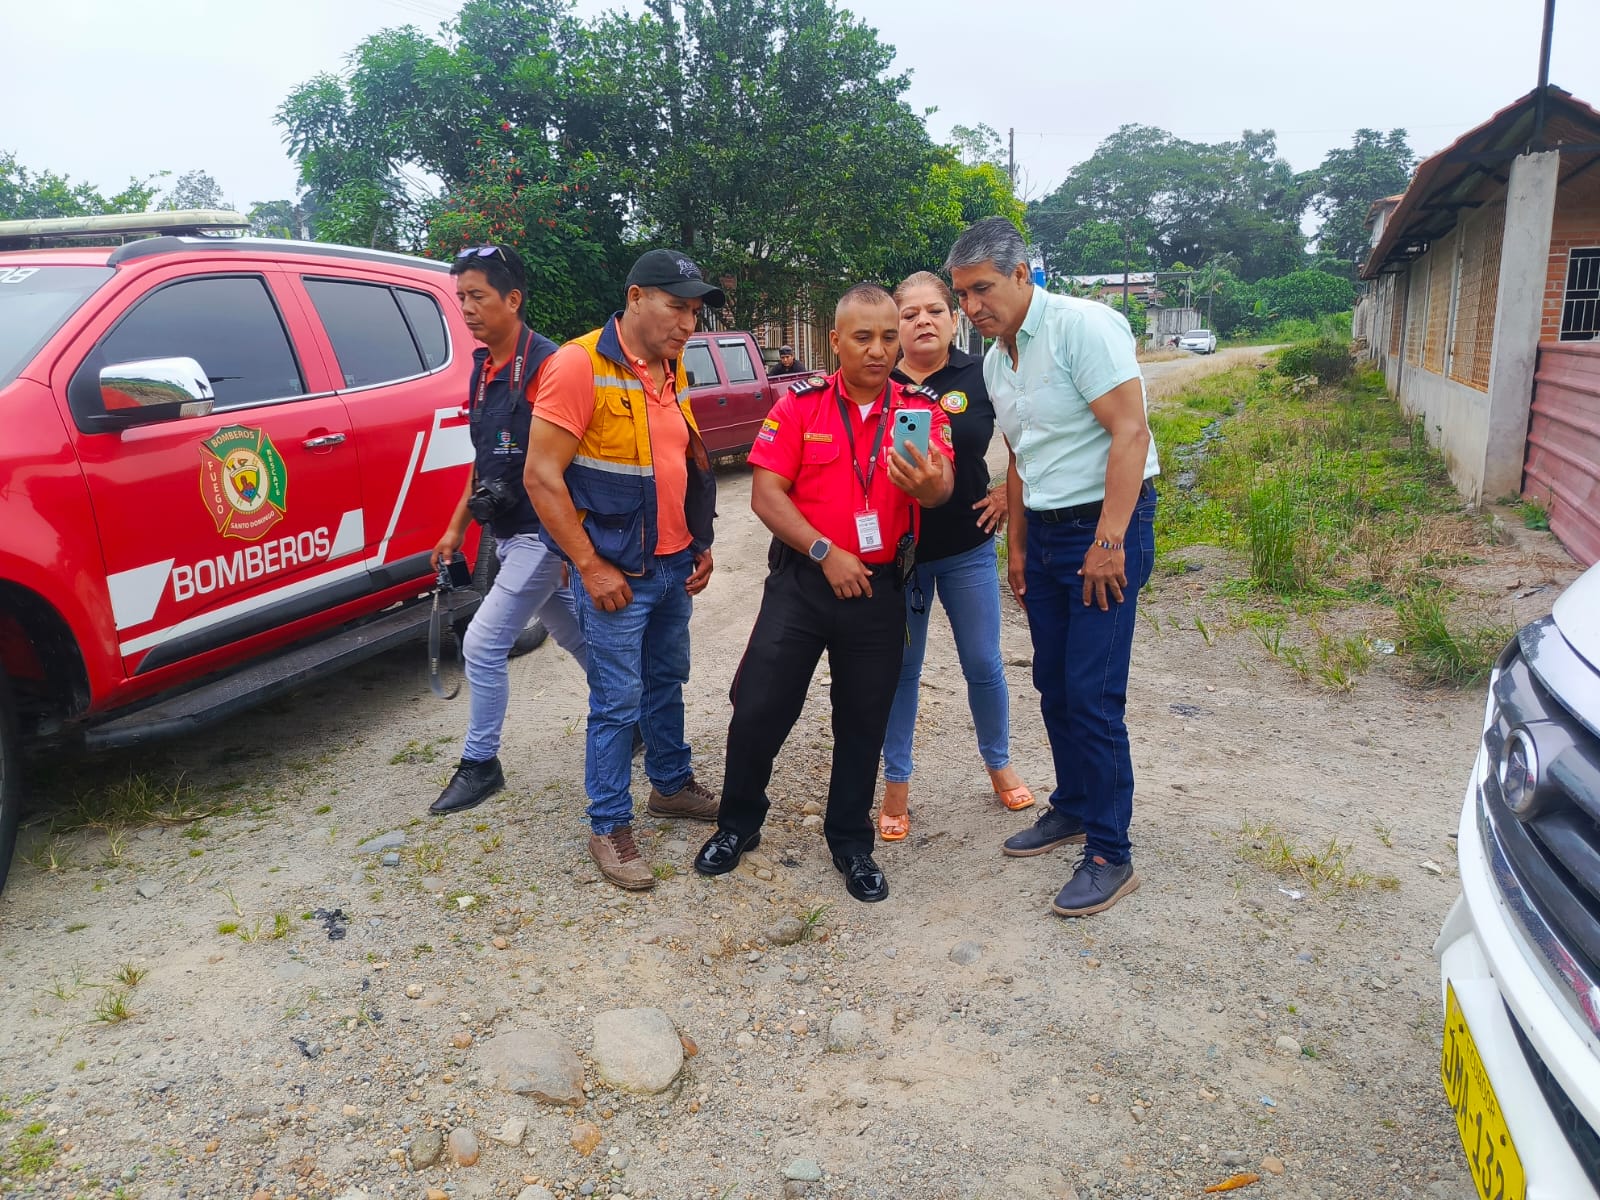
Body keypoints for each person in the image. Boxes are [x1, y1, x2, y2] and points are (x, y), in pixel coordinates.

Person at [693, 284, 955, 903]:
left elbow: (941, 489)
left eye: (888, 337)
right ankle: (737, 823)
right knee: (758, 706)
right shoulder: (799, 406)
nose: (878, 350)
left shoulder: (920, 410)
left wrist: (928, 483)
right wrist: (824, 552)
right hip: (803, 583)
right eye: (863, 337)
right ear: (836, 341)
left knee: (863, 719)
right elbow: (766, 496)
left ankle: (851, 841)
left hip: (878, 589)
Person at [947, 217, 1160, 918]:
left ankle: (1111, 852)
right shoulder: (995, 360)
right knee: (1054, 684)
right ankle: (1072, 805)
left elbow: (1130, 431)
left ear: (1021, 274)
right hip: (1044, 533)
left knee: (1092, 694)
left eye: (982, 289)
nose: (971, 306)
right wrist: (1017, 549)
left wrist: (1110, 541)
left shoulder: (1081, 327)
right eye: (962, 295)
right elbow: (1021, 455)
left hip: (1104, 528)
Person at [523, 250, 721, 891]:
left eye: (695, 312)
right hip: (617, 574)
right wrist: (587, 565)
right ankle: (608, 824)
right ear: (635, 297)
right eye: (677, 306)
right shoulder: (577, 365)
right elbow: (541, 476)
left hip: (672, 564)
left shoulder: (672, 365)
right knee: (617, 701)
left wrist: (699, 541)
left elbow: (680, 460)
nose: (688, 323)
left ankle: (669, 784)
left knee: (666, 681)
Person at [428, 244, 587, 816]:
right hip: (507, 531)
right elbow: (484, 460)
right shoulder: (483, 368)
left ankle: (481, 763)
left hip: (543, 534)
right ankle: (635, 713)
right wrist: (455, 529)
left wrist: (573, 546)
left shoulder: (550, 365)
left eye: (478, 296)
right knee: (573, 634)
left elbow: (572, 462)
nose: (466, 308)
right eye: (461, 297)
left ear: (513, 299)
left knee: (481, 643)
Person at [876, 271, 1033, 842]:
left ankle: (999, 764)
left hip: (968, 547)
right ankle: (896, 784)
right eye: (910, 313)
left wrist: (1005, 498)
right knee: (901, 671)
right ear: (896, 324)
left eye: (935, 311)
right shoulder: (879, 380)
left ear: (953, 317)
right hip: (902, 555)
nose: (923, 321)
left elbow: (1023, 445)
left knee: (984, 664)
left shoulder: (983, 372)